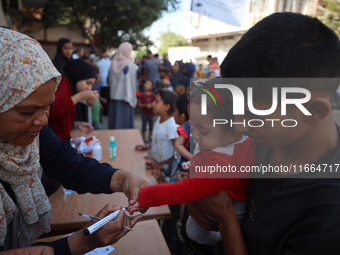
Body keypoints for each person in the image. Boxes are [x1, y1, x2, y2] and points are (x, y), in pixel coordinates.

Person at [187, 12, 340, 255]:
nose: (237, 127)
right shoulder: (259, 139)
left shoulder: (329, 217)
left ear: (312, 110)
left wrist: (226, 218)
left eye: (251, 115)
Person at [0, 27, 147, 253]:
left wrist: (123, 178)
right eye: (27, 111)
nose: (42, 120)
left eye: (47, 107)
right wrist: (84, 241)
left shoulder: (31, 134)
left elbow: (68, 163)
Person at [129, 85, 255, 246]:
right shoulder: (225, 140)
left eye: (203, 131)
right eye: (193, 126)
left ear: (233, 134)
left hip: (230, 210)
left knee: (193, 231)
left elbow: (189, 189)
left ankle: (217, 240)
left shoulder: (226, 159)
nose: (194, 135)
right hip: (215, 197)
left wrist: (146, 195)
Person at [135, 89, 178, 182]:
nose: (153, 103)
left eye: (157, 101)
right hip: (155, 164)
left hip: (163, 170)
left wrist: (159, 165)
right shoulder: (159, 119)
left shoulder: (172, 125)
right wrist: (148, 146)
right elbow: (160, 140)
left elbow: (177, 152)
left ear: (167, 106)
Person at [108, 42, 138, 129]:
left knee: (115, 124)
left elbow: (109, 81)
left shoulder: (112, 64)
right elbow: (134, 85)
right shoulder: (132, 66)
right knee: (125, 125)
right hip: (126, 98)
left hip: (114, 97)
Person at [138, 79, 155, 144]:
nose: (146, 85)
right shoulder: (142, 95)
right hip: (144, 113)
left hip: (151, 113)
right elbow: (139, 104)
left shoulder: (153, 95)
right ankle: (144, 139)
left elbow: (155, 102)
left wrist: (151, 105)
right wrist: (145, 105)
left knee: (151, 126)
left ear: (152, 87)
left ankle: (150, 137)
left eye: (148, 84)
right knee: (144, 126)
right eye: (146, 83)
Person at [96, 48, 111, 116]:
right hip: (108, 81)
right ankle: (107, 111)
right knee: (107, 96)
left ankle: (103, 111)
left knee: (102, 96)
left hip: (101, 81)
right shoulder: (109, 62)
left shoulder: (98, 63)